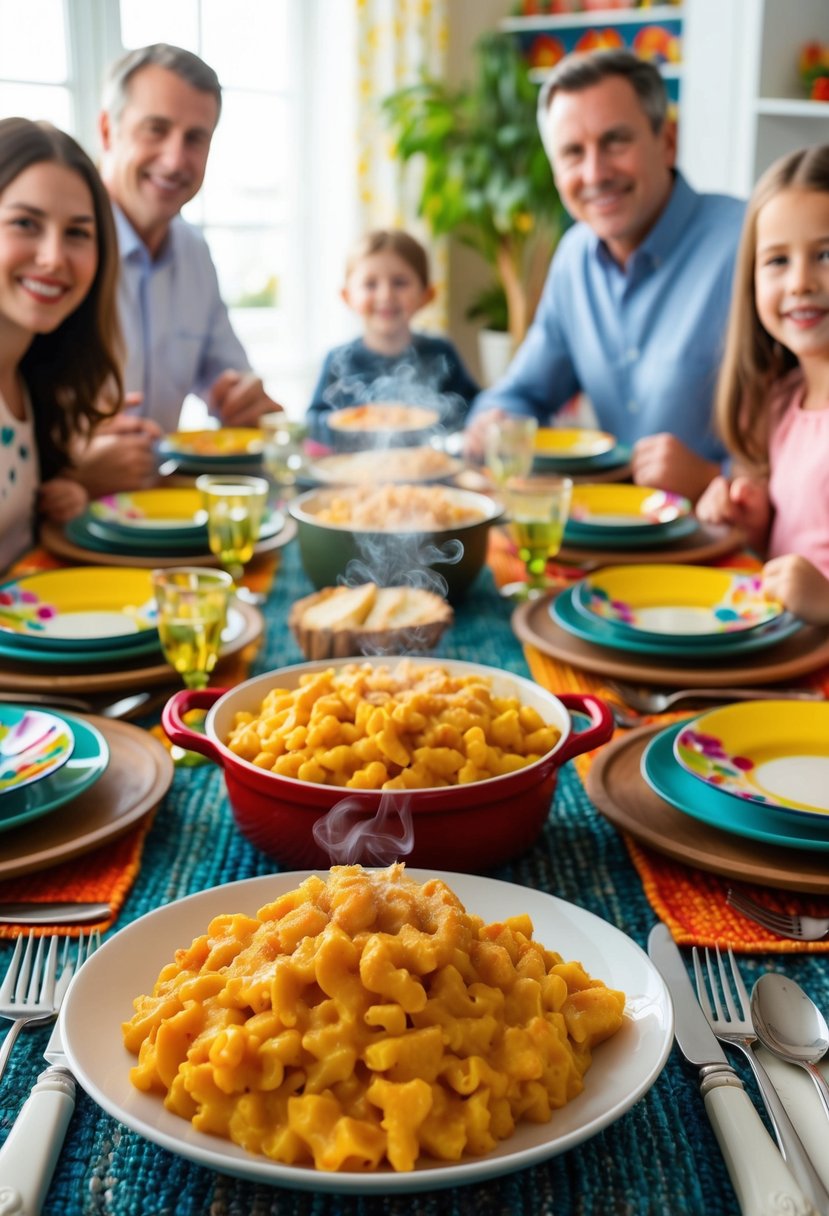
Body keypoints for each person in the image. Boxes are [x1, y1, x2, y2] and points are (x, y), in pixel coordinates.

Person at [465, 49, 745, 501]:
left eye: (616, 141)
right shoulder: (574, 257)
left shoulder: (752, 246)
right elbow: (524, 393)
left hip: (739, 549)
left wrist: (717, 478)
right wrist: (495, 420)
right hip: (613, 533)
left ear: (667, 140)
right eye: (573, 152)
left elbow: (809, 433)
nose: (595, 172)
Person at [75, 42, 283, 496]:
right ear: (108, 131)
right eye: (156, 130)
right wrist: (70, 466)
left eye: (195, 138)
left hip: (157, 511)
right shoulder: (60, 252)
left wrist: (245, 401)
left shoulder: (194, 253)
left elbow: (230, 383)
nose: (175, 160)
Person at [695, 145, 829, 625]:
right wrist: (752, 525)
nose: (800, 282)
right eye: (777, 261)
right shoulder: (778, 402)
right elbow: (782, 553)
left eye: (825, 254)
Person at [0, 117, 122, 573]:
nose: (53, 257)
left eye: (77, 233)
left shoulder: (33, 378)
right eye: (25, 223)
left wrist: (56, 499)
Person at [307, 229, 479, 444]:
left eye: (400, 282)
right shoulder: (337, 360)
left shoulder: (440, 352)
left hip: (426, 467)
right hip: (353, 472)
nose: (386, 295)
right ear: (347, 296)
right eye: (370, 284)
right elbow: (313, 421)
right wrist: (341, 424)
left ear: (427, 295)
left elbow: (472, 408)